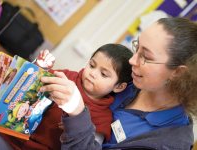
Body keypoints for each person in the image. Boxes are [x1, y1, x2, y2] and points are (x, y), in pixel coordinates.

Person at [39, 17, 197, 150]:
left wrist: (77, 117)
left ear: (178, 72)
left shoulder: (170, 141)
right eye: (137, 47)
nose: (132, 60)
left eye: (146, 57)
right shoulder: (131, 82)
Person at [0, 43, 132, 149]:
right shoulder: (66, 77)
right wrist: (39, 67)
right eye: (92, 65)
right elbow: (30, 86)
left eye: (103, 74)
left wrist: (72, 127)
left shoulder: (104, 118)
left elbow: (87, 145)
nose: (93, 73)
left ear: (119, 86)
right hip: (9, 135)